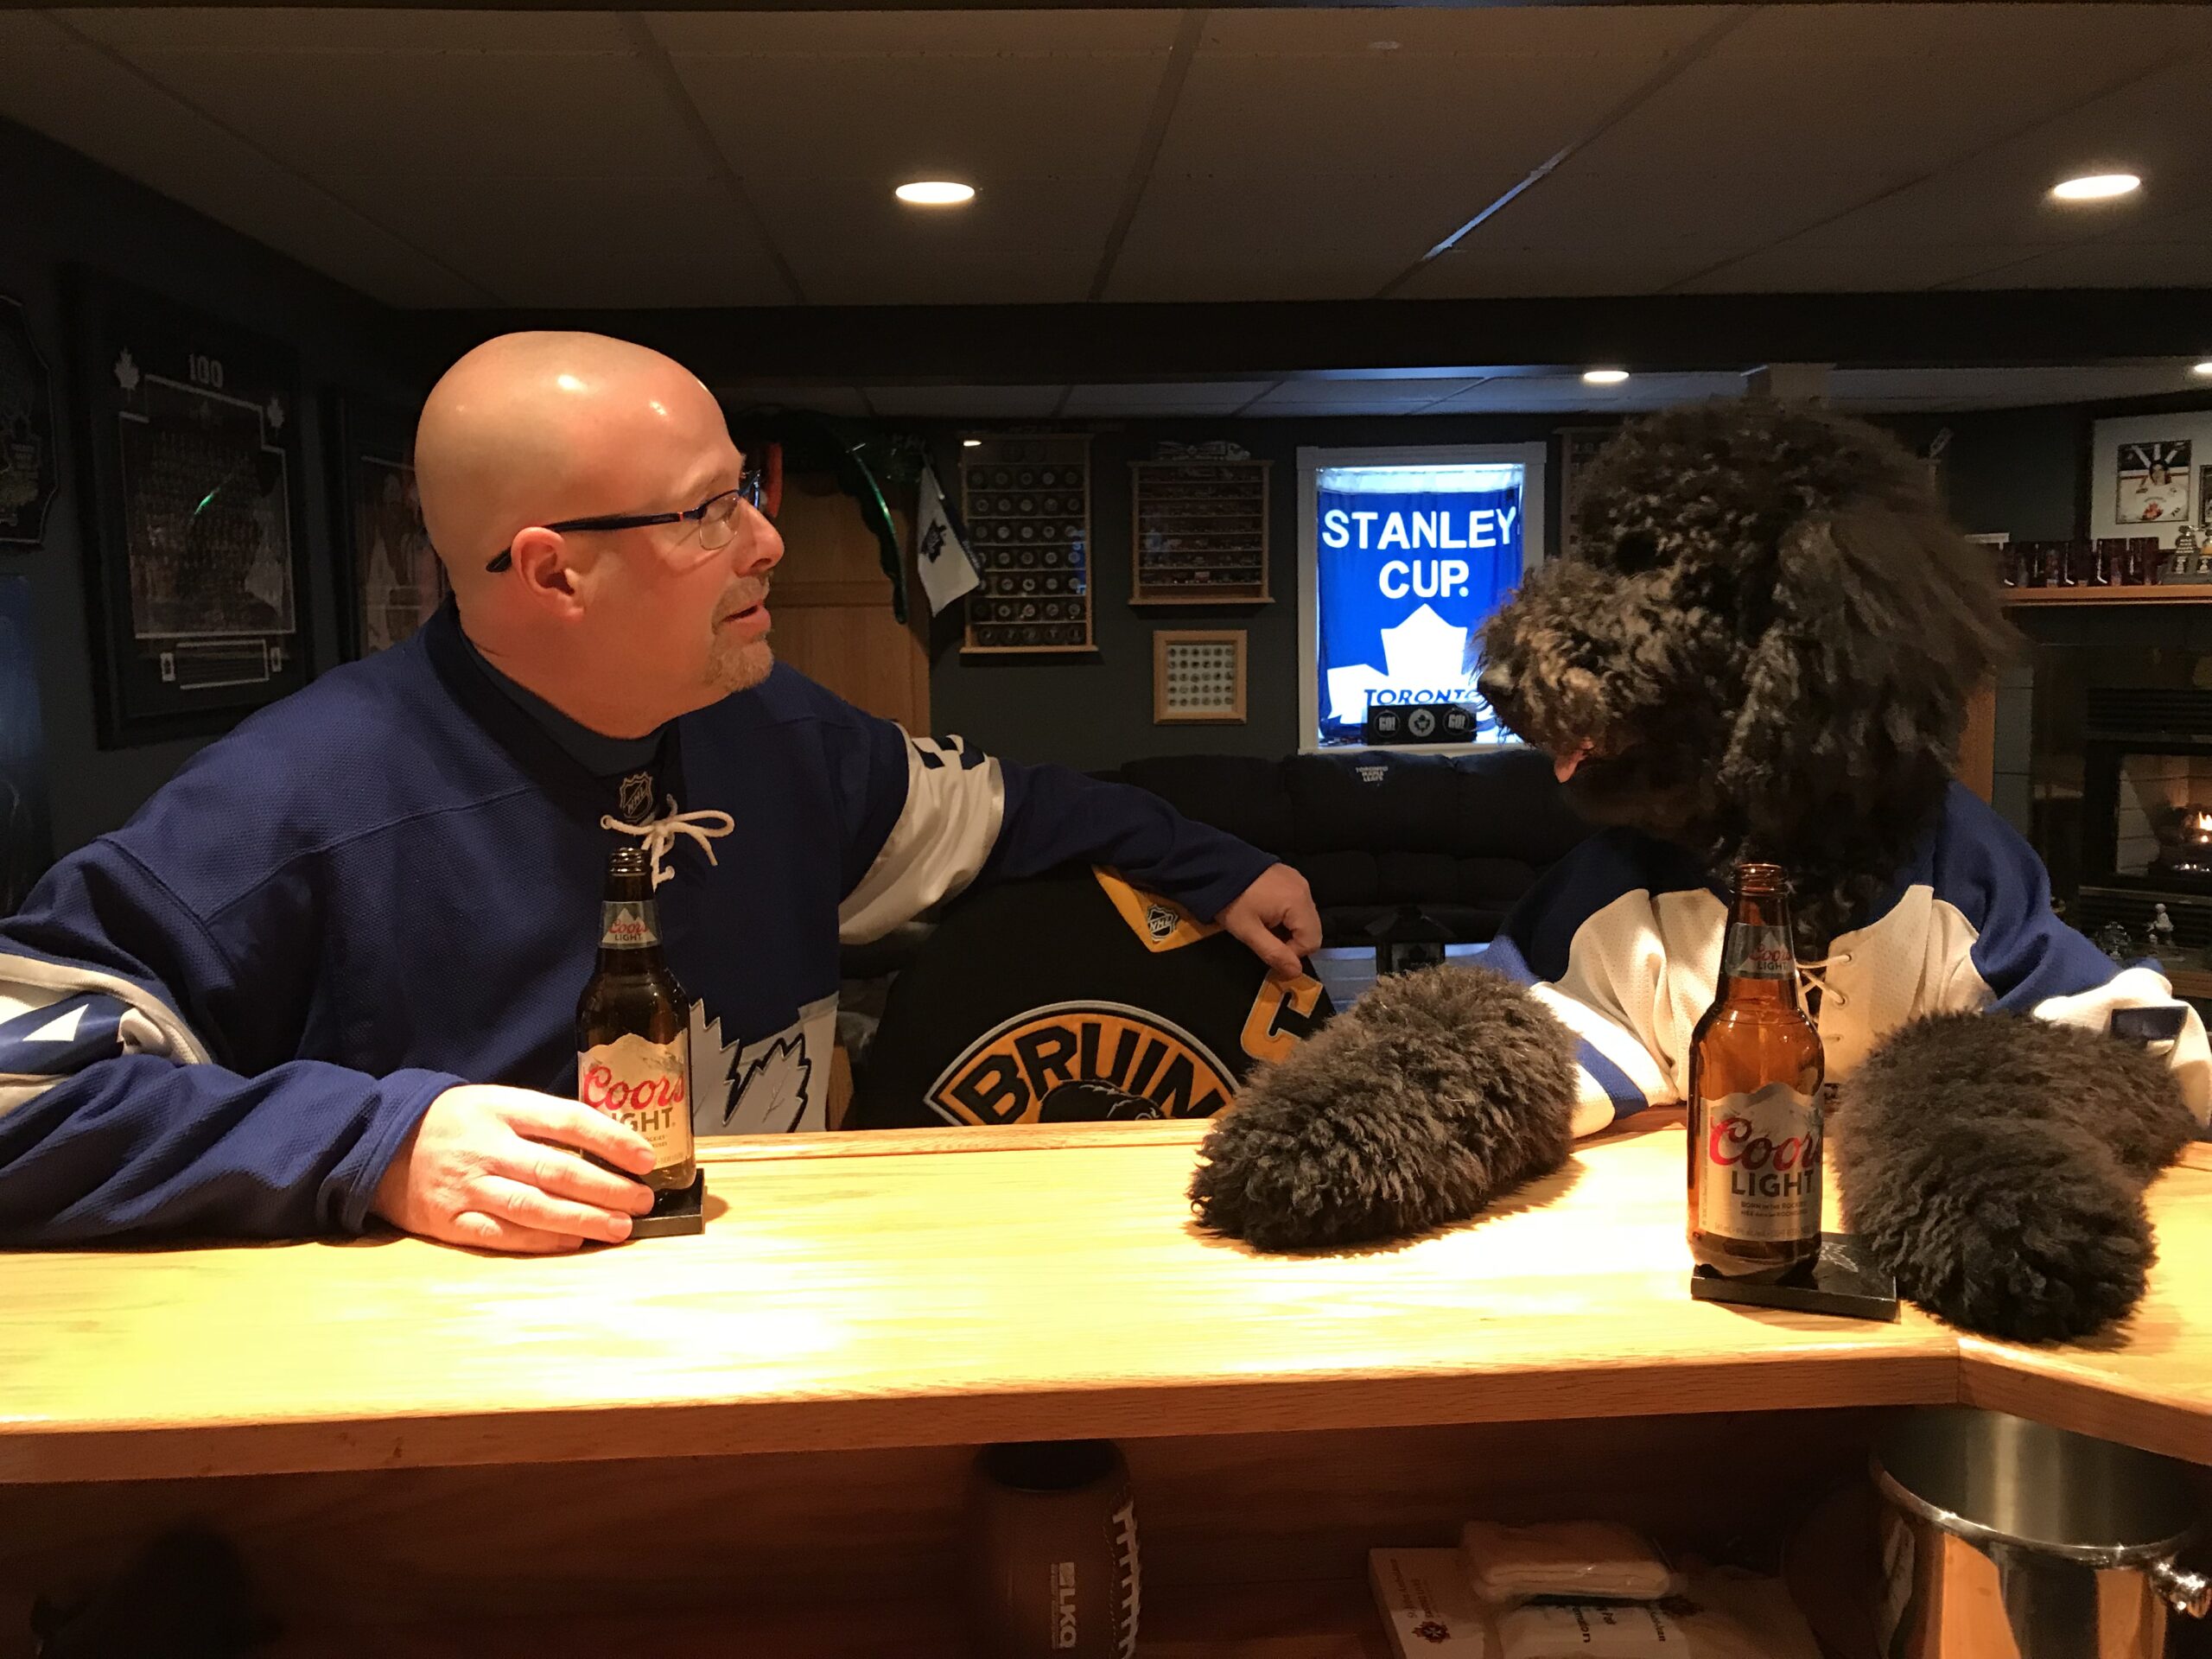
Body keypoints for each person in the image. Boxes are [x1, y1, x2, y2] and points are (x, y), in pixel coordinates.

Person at [0, 333, 1318, 1253]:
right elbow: (20, 1100)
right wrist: (378, 1145)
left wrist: (1218, 865)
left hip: (775, 1342)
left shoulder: (780, 736)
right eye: (706, 512)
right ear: (553, 573)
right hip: (459, 1420)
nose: (767, 541)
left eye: (749, 489)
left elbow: (1002, 812)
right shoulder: (292, 799)